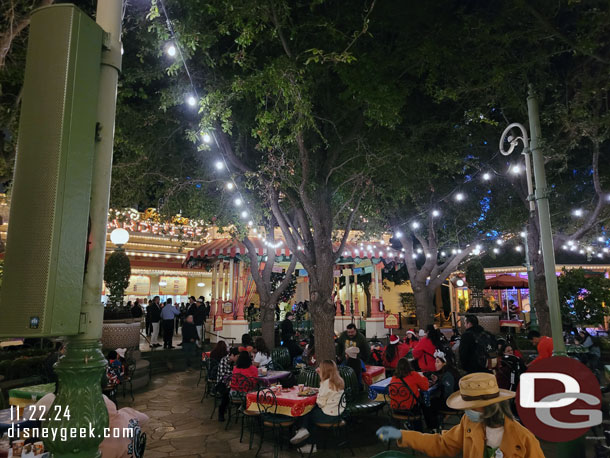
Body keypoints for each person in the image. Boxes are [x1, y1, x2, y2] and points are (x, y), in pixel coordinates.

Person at [377, 372, 544, 458]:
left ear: (489, 407)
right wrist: (402, 435)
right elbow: (442, 444)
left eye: (471, 407)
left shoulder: (524, 439)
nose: (466, 411)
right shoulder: (469, 423)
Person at [290, 360, 345, 454]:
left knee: (306, 411)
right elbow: (328, 393)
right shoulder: (338, 380)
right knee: (310, 413)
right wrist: (318, 389)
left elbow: (320, 403)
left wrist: (318, 395)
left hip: (329, 416)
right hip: (338, 413)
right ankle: (304, 432)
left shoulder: (326, 383)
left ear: (324, 371)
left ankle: (303, 432)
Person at [216, 347, 240, 422]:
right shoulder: (224, 360)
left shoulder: (235, 362)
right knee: (226, 394)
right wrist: (234, 373)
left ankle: (240, 408)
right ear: (232, 355)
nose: (238, 358)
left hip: (232, 382)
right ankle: (221, 413)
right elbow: (224, 376)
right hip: (221, 383)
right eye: (237, 357)